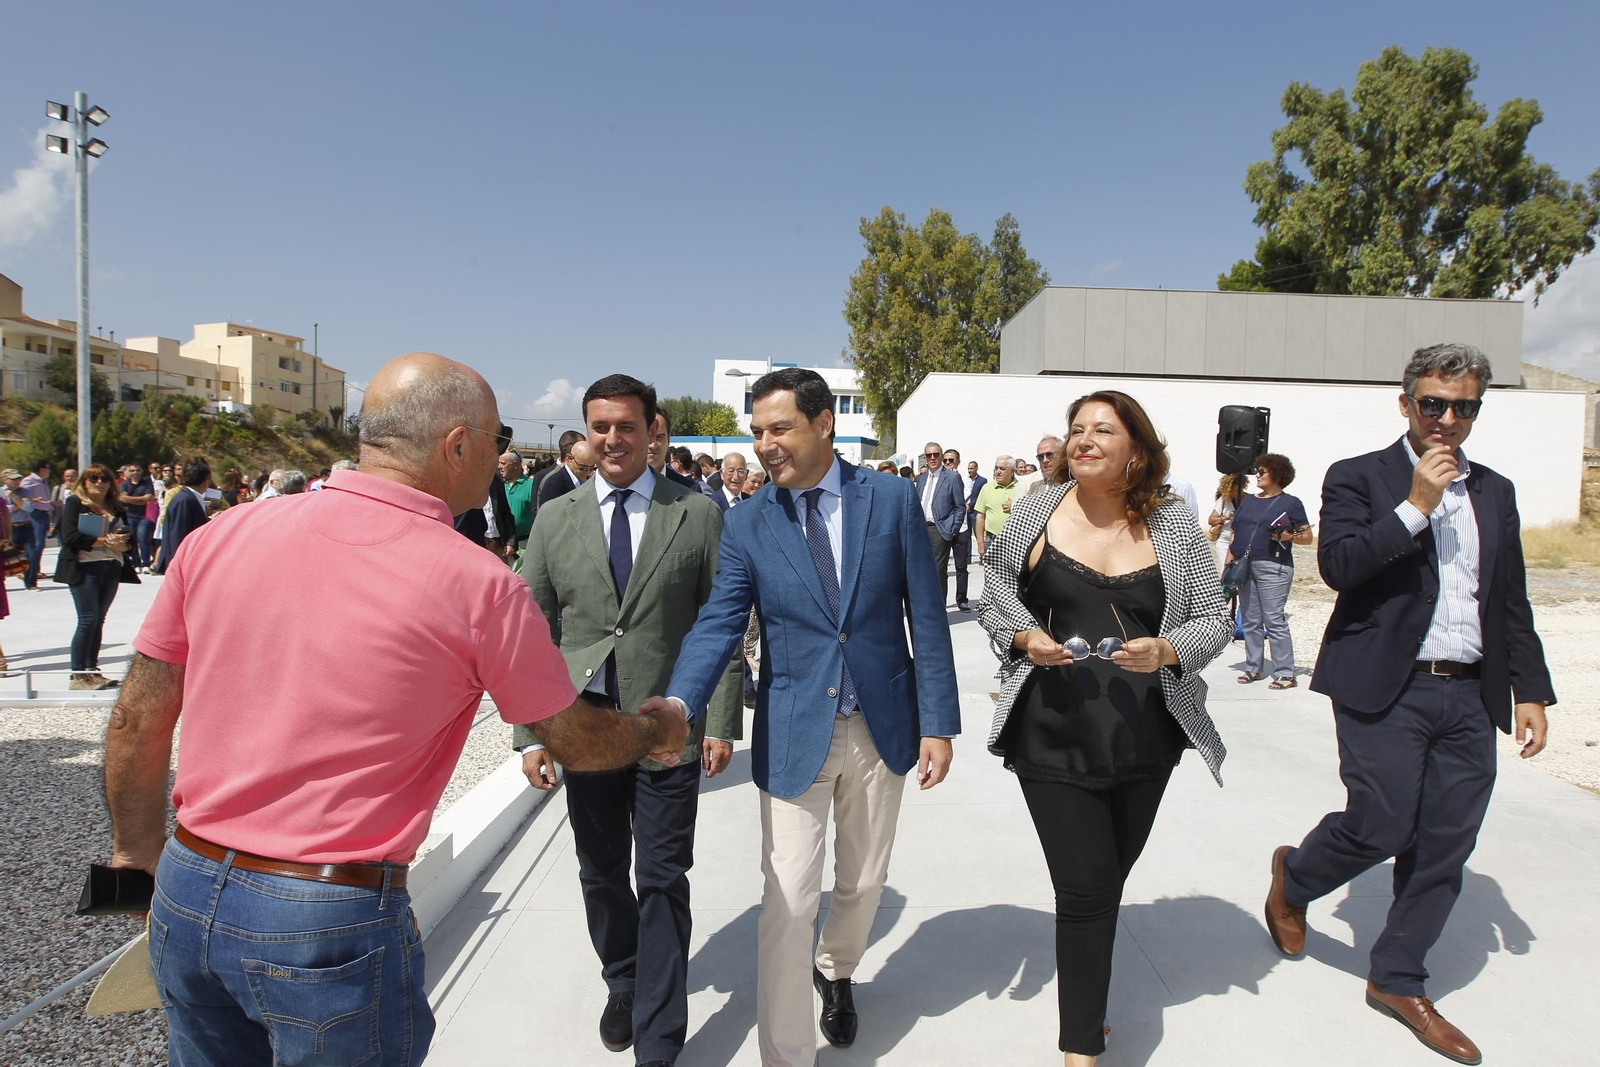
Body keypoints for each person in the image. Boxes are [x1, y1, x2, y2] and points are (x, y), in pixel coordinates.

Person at [103, 352, 689, 1067]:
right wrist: (659, 727)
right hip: (328, 918)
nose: (498, 457)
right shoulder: (476, 583)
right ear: (459, 445)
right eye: (497, 438)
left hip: (186, 888)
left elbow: (138, 718)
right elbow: (578, 739)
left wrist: (134, 856)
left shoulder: (221, 537)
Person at [644, 367, 960, 1067]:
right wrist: (678, 701)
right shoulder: (749, 521)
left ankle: (838, 966)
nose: (764, 445)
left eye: (778, 428)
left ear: (823, 424)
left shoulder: (893, 499)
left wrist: (938, 719)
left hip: (883, 725)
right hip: (793, 731)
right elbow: (719, 622)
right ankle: (787, 1054)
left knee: (862, 881)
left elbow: (926, 618)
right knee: (786, 901)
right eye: (756, 431)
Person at [1265, 343, 1554, 1066]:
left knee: (1446, 840)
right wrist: (1416, 506)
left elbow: (1508, 597)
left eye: (1464, 407)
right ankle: (1294, 878)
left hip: (1469, 689)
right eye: (1434, 404)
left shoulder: (1495, 490)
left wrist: (1532, 689)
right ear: (1406, 404)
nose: (1448, 420)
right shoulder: (1360, 476)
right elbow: (1341, 566)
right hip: (1386, 683)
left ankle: (1398, 977)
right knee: (1384, 820)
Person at [978, 390, 1230, 1066]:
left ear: (1137, 451)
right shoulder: (1037, 507)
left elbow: (1213, 616)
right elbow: (993, 587)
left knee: (1107, 879)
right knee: (1086, 885)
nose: (1083, 439)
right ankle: (1081, 1046)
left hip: (1146, 737)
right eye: (1076, 428)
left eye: (1102, 430)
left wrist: (1169, 649)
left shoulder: (1174, 523)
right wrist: (1023, 633)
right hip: (1052, 732)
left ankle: (1088, 1004)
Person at [517, 374, 742, 1066]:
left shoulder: (697, 513)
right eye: (599, 427)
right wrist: (531, 733)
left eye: (625, 426)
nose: (612, 439)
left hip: (667, 729)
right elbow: (531, 628)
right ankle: (623, 976)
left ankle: (660, 1035)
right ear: (586, 435)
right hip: (586, 730)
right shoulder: (556, 517)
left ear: (654, 431)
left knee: (665, 876)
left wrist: (721, 719)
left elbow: (722, 620)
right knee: (601, 869)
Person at [1227, 453, 1312, 689]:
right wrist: (1229, 563)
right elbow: (1235, 533)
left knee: (1274, 619)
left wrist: (1288, 535)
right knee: (1251, 620)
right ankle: (1253, 667)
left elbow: (1307, 536)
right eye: (1257, 470)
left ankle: (1285, 673)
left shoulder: (1291, 503)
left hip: (1274, 566)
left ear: (1278, 474)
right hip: (1245, 565)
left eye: (1263, 471)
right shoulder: (1248, 501)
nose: (1258, 474)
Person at [56, 464, 140, 689]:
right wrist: (103, 541)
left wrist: (122, 544)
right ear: (84, 482)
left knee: (99, 619)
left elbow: (130, 540)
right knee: (87, 620)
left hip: (111, 565)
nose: (100, 482)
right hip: (85, 567)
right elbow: (69, 536)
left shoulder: (116, 506)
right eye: (93, 478)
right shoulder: (75, 503)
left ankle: (93, 670)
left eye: (104, 478)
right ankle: (78, 675)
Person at [914, 441, 966, 608]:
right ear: (925, 458)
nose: (932, 458)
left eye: (936, 454)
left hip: (940, 530)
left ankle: (938, 609)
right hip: (921, 529)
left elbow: (960, 507)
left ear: (941, 456)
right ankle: (925, 607)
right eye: (929, 455)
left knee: (937, 571)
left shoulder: (951, 477)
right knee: (922, 571)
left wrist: (952, 529)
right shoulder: (921, 478)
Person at [154, 459, 213, 573]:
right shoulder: (184, 500)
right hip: (184, 565)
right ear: (205, 480)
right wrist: (179, 568)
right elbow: (178, 535)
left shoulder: (189, 497)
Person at [942, 448, 974, 609]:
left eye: (951, 460)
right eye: (945, 460)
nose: (948, 463)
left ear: (958, 462)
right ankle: (941, 600)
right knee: (941, 568)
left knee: (961, 566)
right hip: (944, 529)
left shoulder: (966, 481)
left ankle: (962, 599)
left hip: (961, 528)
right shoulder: (939, 480)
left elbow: (963, 502)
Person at [974, 455, 1019, 561]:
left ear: (1013, 471)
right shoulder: (987, 488)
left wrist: (1016, 504)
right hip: (992, 539)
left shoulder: (1021, 487)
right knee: (993, 576)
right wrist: (980, 543)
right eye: (996, 468)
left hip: (1016, 540)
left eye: (1002, 469)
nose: (998, 472)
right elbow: (980, 516)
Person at [18, 460, 52, 590]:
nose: (49, 471)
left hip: (44, 513)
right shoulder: (29, 480)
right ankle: (27, 572)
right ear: (41, 469)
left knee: (40, 544)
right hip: (35, 514)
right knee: (36, 545)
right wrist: (33, 500)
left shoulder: (42, 481)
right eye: (48, 468)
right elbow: (20, 496)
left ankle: (35, 570)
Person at [538, 432, 596, 507]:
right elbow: (548, 516)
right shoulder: (554, 484)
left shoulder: (590, 482)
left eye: (591, 468)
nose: (587, 472)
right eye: (582, 468)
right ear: (569, 459)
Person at [1207, 472, 1245, 570]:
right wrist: (1224, 518)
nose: (1237, 493)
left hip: (1242, 541)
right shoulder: (1224, 500)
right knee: (1225, 571)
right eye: (1234, 490)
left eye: (1239, 490)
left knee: (1240, 571)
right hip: (1224, 542)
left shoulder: (1249, 499)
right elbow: (1211, 520)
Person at [652, 409, 697, 490]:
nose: (652, 445)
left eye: (659, 437)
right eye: (648, 436)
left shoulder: (689, 488)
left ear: (668, 439)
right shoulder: (623, 485)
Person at [500, 449, 535, 550]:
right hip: (501, 544)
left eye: (503, 463)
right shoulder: (499, 485)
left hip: (523, 545)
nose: (500, 467)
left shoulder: (530, 485)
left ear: (515, 464)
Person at [964, 459, 987, 562]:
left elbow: (979, 496)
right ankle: (967, 557)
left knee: (979, 534)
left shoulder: (982, 481)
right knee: (966, 535)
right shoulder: (965, 480)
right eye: (968, 468)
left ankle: (982, 556)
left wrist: (970, 505)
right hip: (965, 511)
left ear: (976, 468)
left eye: (972, 468)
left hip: (975, 511)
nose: (970, 470)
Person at [50, 467, 78, 537]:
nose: (69, 478)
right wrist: (52, 523)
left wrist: (74, 489)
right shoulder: (58, 488)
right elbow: (52, 505)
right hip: (61, 519)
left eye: (72, 476)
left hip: (76, 518)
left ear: (77, 477)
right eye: (67, 476)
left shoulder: (80, 489)